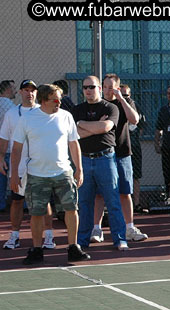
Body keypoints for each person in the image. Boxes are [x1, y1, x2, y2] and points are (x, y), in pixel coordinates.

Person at [10, 83, 91, 264]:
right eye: (55, 100)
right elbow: (16, 149)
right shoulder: (27, 119)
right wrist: (14, 174)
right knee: (37, 212)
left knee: (71, 209)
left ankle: (73, 247)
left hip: (63, 172)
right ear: (44, 100)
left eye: (60, 99)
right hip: (36, 174)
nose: (59, 103)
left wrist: (79, 169)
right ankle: (37, 250)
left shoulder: (66, 116)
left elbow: (73, 143)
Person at [72, 75, 129, 251]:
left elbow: (105, 128)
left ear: (99, 88)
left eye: (92, 87)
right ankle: (82, 241)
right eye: (85, 87)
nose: (88, 90)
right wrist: (93, 126)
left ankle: (120, 239)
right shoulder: (77, 110)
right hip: (85, 159)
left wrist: (83, 125)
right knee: (84, 203)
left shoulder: (111, 107)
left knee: (113, 201)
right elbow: (75, 134)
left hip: (106, 159)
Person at [90, 73, 147, 243]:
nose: (107, 91)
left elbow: (135, 120)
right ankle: (96, 229)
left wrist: (121, 98)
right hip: (103, 155)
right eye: (105, 87)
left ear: (117, 87)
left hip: (122, 154)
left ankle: (129, 228)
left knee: (125, 192)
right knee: (99, 194)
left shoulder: (125, 102)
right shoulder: (98, 104)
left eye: (111, 87)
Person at [0, 79, 56, 250]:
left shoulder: (43, 113)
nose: (29, 93)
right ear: (20, 93)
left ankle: (48, 236)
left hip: (40, 166)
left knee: (44, 201)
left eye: (32, 90)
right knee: (17, 201)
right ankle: (15, 236)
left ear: (36, 93)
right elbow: (4, 138)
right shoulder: (11, 114)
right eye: (26, 90)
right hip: (19, 166)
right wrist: (1, 157)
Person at [120, 84, 146, 213]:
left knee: (135, 176)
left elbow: (141, 126)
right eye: (122, 95)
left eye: (127, 95)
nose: (125, 98)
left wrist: (133, 139)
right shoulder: (115, 106)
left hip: (134, 146)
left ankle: (136, 204)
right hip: (120, 147)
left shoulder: (136, 107)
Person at [0, 79, 17, 212]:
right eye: (13, 88)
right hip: (9, 146)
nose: (15, 91)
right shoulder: (9, 106)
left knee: (1, 177)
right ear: (7, 90)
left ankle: (1, 203)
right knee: (13, 175)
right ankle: (19, 203)